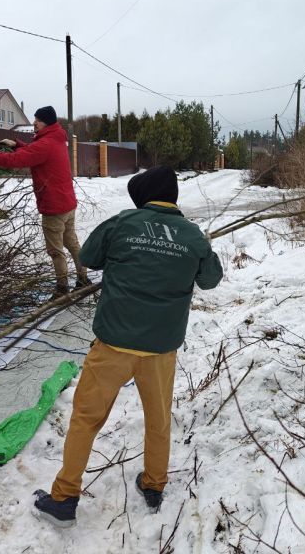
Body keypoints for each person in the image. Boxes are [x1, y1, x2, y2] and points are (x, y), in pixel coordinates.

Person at [32, 165, 223, 528]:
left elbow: (88, 257)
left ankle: (64, 498)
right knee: (158, 419)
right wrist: (198, 251)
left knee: (86, 418)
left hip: (113, 345)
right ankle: (153, 484)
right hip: (160, 350)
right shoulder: (192, 236)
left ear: (144, 196)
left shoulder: (122, 223)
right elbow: (211, 280)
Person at [0, 105, 89, 297]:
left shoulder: (45, 143)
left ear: (47, 122)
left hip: (54, 206)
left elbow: (14, 160)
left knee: (55, 251)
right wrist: (16, 145)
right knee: (72, 243)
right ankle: (83, 279)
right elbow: (34, 153)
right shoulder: (56, 138)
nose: (34, 122)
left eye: (38, 120)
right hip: (67, 203)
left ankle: (62, 289)